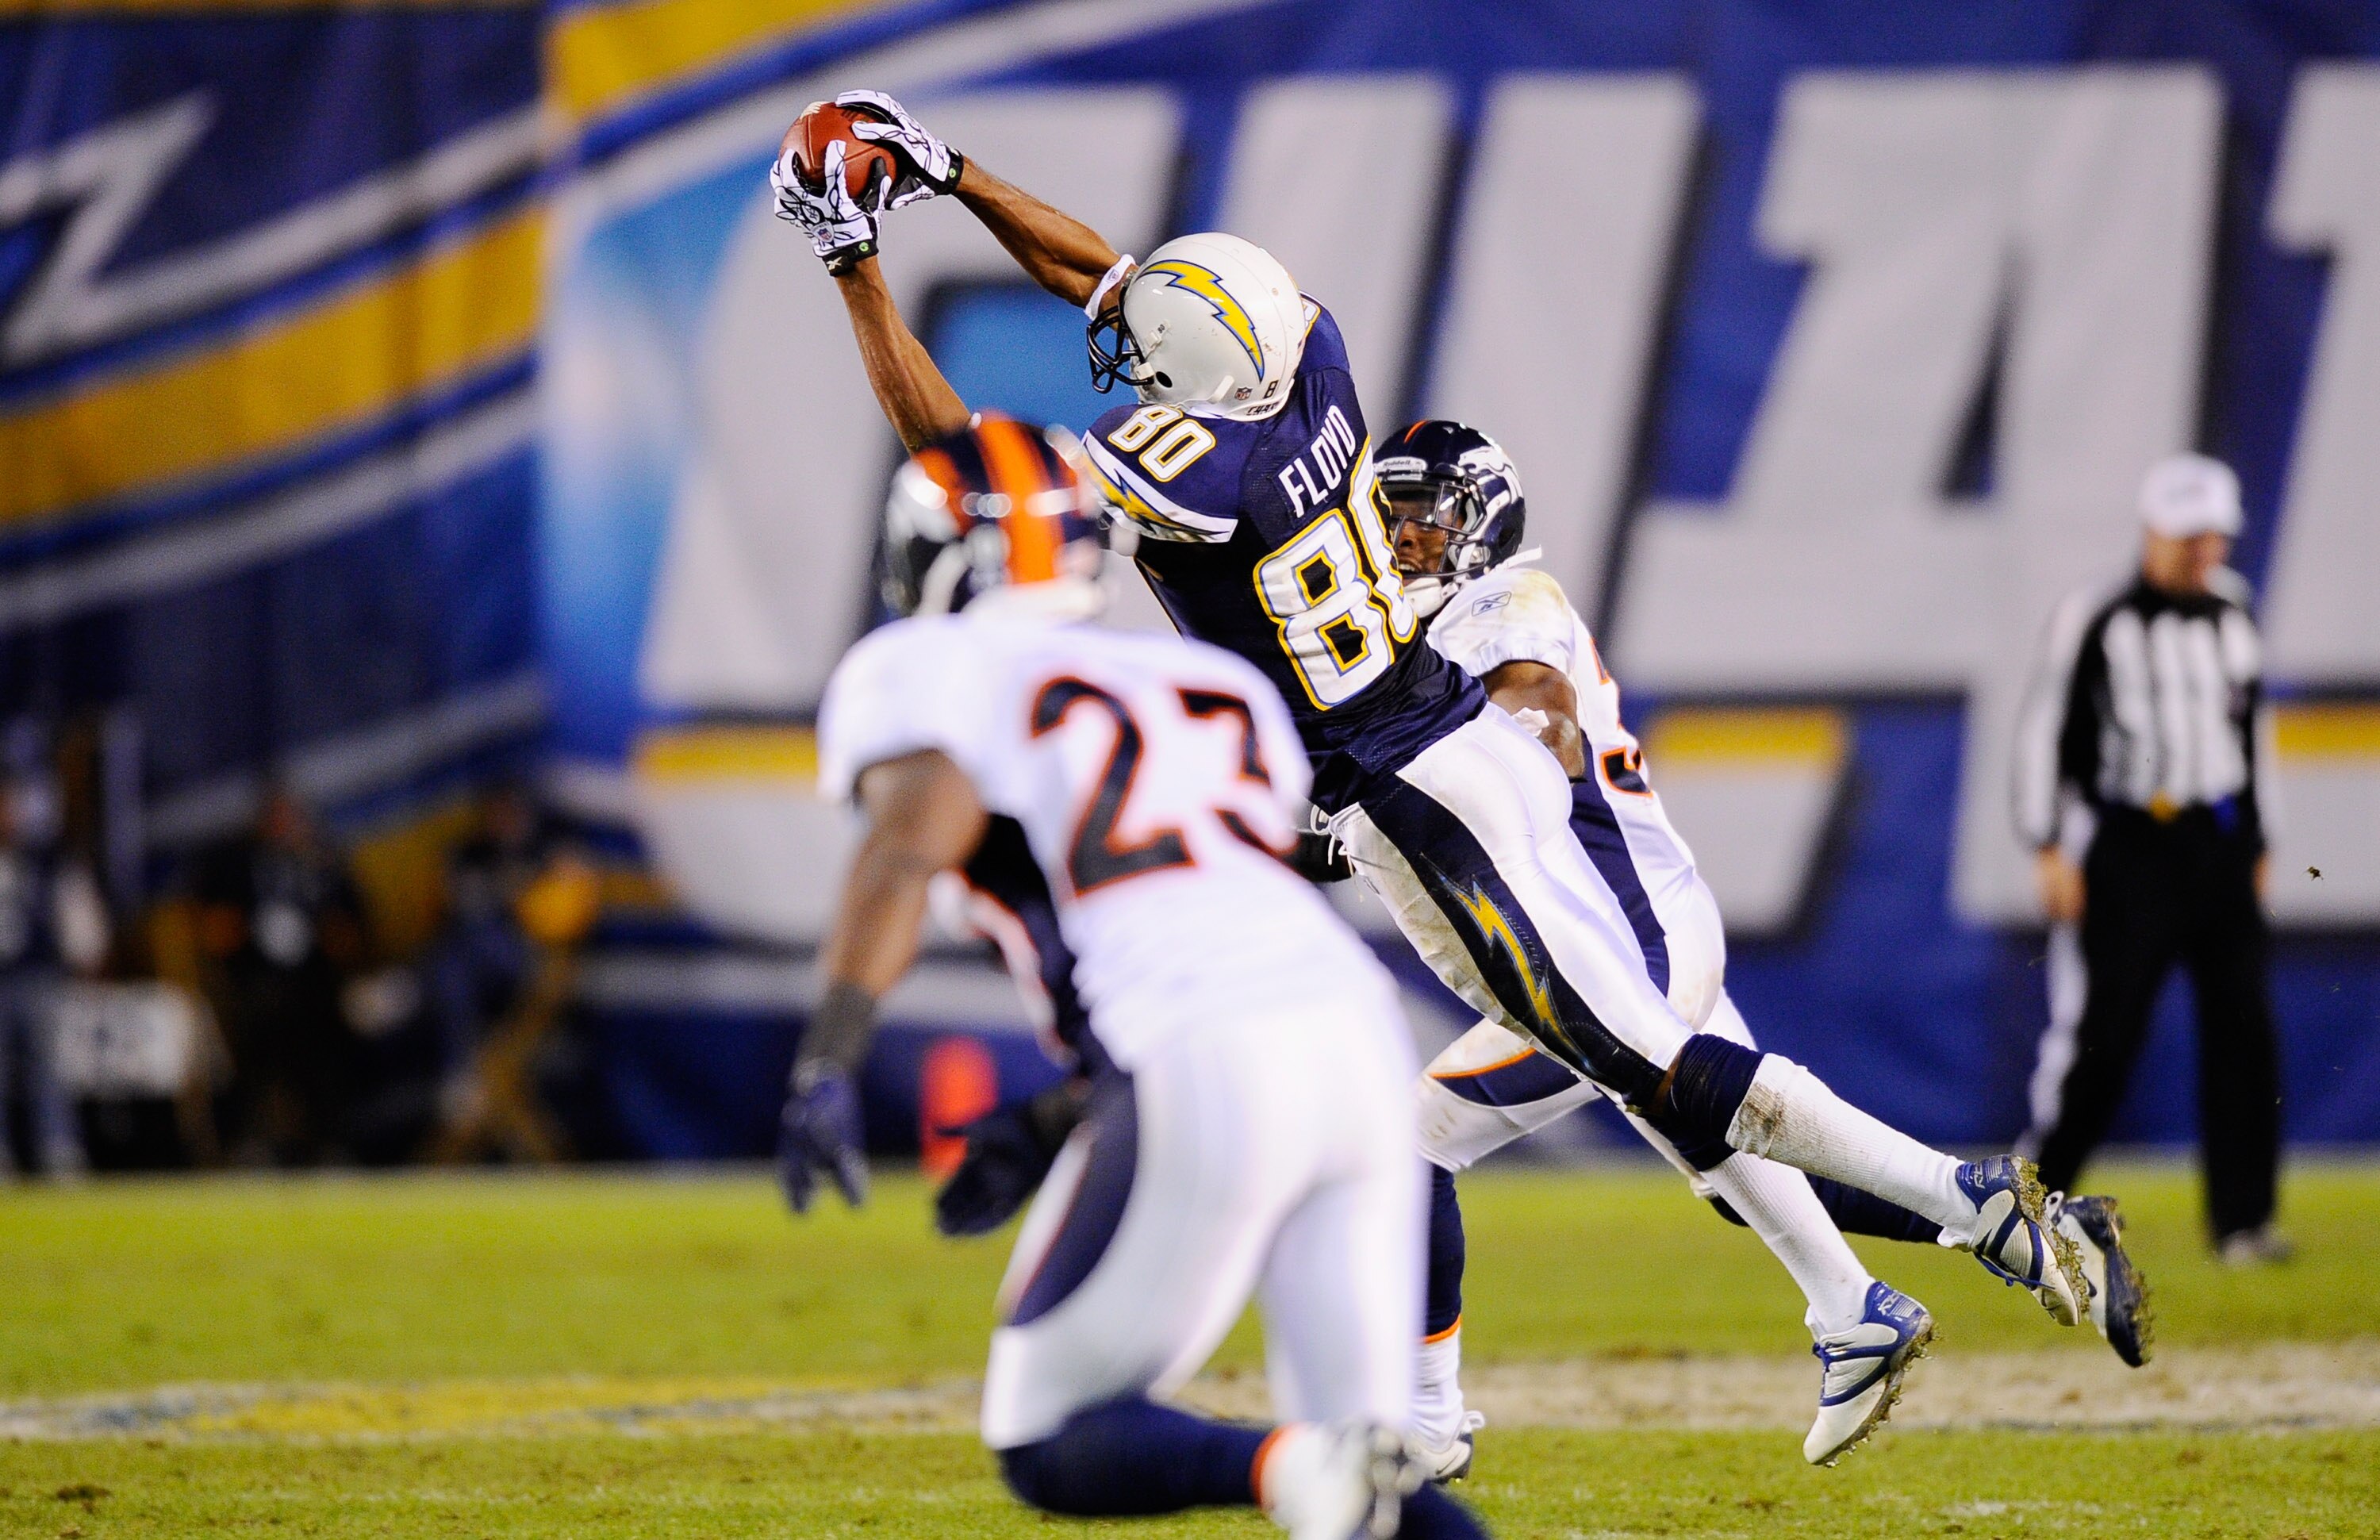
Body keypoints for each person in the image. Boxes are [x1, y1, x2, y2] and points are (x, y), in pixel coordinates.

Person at [775, 89, 2087, 1473]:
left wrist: (854, 265)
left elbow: (971, 464)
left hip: (1404, 797)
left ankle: (1962, 1201)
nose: (1130, 373)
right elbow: (1118, 284)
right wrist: (950, 172)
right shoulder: (1317, 362)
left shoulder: (1196, 468)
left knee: (1644, 1063)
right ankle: (1842, 1296)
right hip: (1451, 741)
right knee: (1625, 1064)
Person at [1372, 421, 2155, 1471]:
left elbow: (1537, 700)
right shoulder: (1411, 647)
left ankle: (1424, 1422)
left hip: (1626, 938)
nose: (1412, 536)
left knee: (1408, 1140)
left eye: (1435, 513)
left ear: (1490, 517)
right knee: (1747, 1156)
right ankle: (1878, 1298)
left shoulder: (1507, 606)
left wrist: (1502, 739)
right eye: (1395, 514)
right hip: (1633, 924)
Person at [774, 409, 1492, 1540]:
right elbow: (1210, 913)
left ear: (944, 553)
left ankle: (1290, 1468)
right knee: (1369, 1487)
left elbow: (911, 845)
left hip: (1201, 1053)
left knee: (1053, 1430)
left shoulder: (925, 663)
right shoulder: (1204, 683)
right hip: (1352, 1041)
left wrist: (828, 1059)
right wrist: (1062, 1112)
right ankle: (1317, 1471)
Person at [2013, 453, 2287, 1265]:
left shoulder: (2235, 610)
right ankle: (2033, 1203)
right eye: (2188, 536)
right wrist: (2047, 841)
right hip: (2133, 842)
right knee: (2104, 1033)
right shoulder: (2097, 615)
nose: (2204, 552)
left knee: (2246, 1030)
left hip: (2219, 841)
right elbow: (2043, 731)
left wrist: (2263, 840)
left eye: (2214, 537)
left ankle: (2242, 1222)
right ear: (2153, 532)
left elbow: (2251, 733)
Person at [188, 785, 371, 1166]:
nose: (283, 826)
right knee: (256, 1029)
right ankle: (251, 1142)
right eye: (276, 817)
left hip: (315, 981)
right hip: (254, 981)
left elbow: (352, 930)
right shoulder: (237, 865)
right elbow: (211, 929)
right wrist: (241, 933)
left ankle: (329, 1145)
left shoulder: (323, 865)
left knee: (329, 1034)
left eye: (291, 817)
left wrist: (329, 936)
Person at [0, 779, 84, 1177]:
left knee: (47, 1067)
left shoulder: (42, 858)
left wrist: (82, 955)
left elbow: (71, 907)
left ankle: (58, 1150)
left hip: (35, 974)